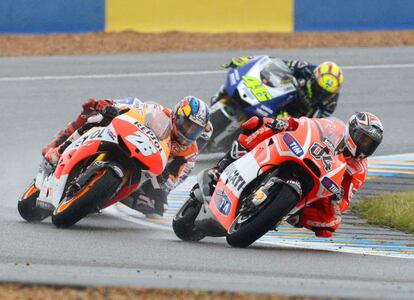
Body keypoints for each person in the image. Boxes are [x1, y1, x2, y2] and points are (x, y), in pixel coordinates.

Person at [209, 112, 383, 238]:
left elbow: (344, 203)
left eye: (370, 145)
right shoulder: (334, 127)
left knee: (330, 225)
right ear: (352, 130)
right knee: (256, 123)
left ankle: (291, 213)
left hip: (321, 185)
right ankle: (221, 167)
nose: (364, 146)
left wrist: (336, 200)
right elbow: (307, 124)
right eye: (364, 139)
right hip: (302, 154)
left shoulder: (359, 170)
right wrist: (285, 123)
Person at [42, 96, 212, 217]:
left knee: (156, 206)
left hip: (149, 170)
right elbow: (133, 108)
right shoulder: (158, 112)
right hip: (130, 140)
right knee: (96, 116)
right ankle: (58, 150)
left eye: (194, 130)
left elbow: (174, 181)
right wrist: (110, 106)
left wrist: (164, 177)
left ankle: (102, 195)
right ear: (177, 115)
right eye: (187, 125)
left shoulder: (190, 153)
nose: (188, 132)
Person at [212, 55, 344, 118]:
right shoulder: (304, 68)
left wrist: (293, 120)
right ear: (314, 79)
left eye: (325, 93)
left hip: (296, 114)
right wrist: (247, 60)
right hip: (282, 95)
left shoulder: (330, 103)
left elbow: (316, 124)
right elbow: (273, 62)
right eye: (318, 89)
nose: (320, 95)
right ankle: (220, 96)